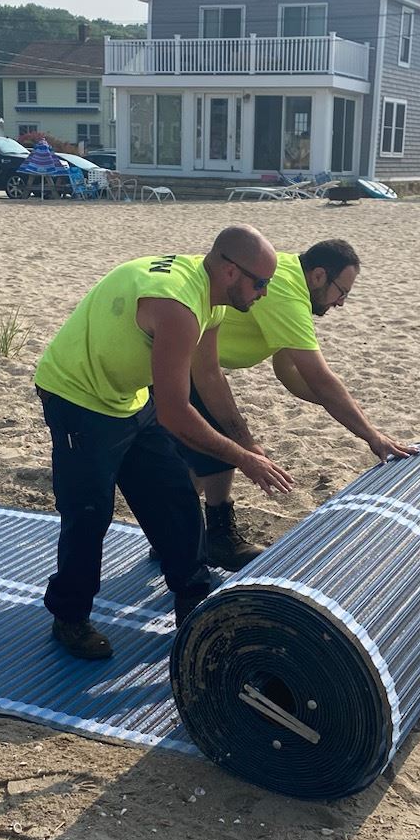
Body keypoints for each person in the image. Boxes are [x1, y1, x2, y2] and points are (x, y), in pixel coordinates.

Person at [33, 224, 296, 660]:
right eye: (261, 282)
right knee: (89, 510)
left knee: (174, 492)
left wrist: (248, 444)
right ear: (231, 271)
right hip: (75, 395)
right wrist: (244, 462)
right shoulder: (179, 306)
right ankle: (70, 617)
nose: (265, 292)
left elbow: (208, 376)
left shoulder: (211, 298)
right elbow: (175, 413)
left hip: (127, 397)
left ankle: (193, 599)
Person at [181, 238, 418, 569]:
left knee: (197, 455)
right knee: (218, 447)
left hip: (195, 359)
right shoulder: (286, 294)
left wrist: (339, 408)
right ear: (319, 276)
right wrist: (370, 435)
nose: (342, 303)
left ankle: (179, 534)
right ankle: (213, 539)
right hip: (180, 354)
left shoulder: (290, 278)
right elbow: (321, 380)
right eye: (342, 292)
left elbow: (287, 370)